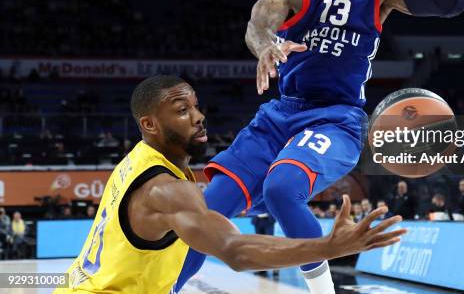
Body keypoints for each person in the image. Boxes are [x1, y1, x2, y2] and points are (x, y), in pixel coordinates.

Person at [177, 0, 464, 294]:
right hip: (280, 115)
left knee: (281, 188)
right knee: (207, 214)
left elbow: (450, 2)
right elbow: (258, 24)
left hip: (338, 120)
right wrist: (267, 46)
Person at [53, 76, 405, 294]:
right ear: (149, 123)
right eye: (181, 110)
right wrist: (328, 247)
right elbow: (235, 251)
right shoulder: (167, 190)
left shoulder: (136, 162)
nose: (198, 116)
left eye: (195, 106)